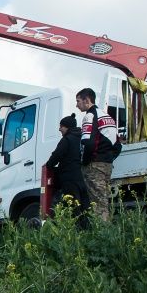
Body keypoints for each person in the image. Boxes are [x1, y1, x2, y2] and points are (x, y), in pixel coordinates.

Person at [76, 88, 121, 221]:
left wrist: (85, 162)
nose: (76, 105)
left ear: (87, 100)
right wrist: (108, 158)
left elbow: (87, 143)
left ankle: (102, 232)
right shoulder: (107, 117)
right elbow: (118, 145)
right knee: (104, 201)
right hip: (107, 165)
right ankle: (107, 229)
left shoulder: (89, 116)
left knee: (97, 205)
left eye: (78, 101)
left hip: (94, 165)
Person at [46, 114, 90, 224]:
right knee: (84, 207)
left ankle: (76, 230)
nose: (59, 129)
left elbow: (56, 155)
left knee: (73, 208)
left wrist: (49, 165)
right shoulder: (81, 138)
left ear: (67, 127)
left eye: (61, 126)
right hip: (82, 177)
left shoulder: (67, 139)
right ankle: (86, 228)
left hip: (69, 178)